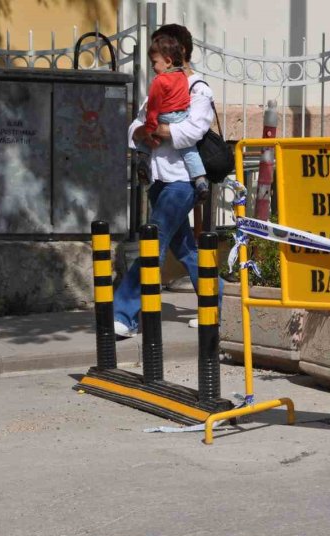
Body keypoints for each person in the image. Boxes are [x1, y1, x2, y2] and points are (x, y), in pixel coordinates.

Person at [114, 24, 223, 338]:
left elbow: (192, 131)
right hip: (158, 179)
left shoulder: (198, 88)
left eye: (158, 53)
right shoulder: (159, 84)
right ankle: (215, 306)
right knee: (185, 249)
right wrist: (144, 132)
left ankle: (124, 314)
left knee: (153, 243)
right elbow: (135, 127)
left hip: (182, 181)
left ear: (179, 52)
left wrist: (157, 131)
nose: (153, 62)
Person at [135, 34, 210, 203]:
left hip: (164, 117)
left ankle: (143, 162)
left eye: (154, 62)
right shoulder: (182, 76)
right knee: (189, 151)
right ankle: (200, 180)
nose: (152, 67)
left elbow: (153, 108)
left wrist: (150, 128)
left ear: (168, 61)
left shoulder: (159, 81)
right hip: (181, 115)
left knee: (146, 141)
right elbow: (183, 99)